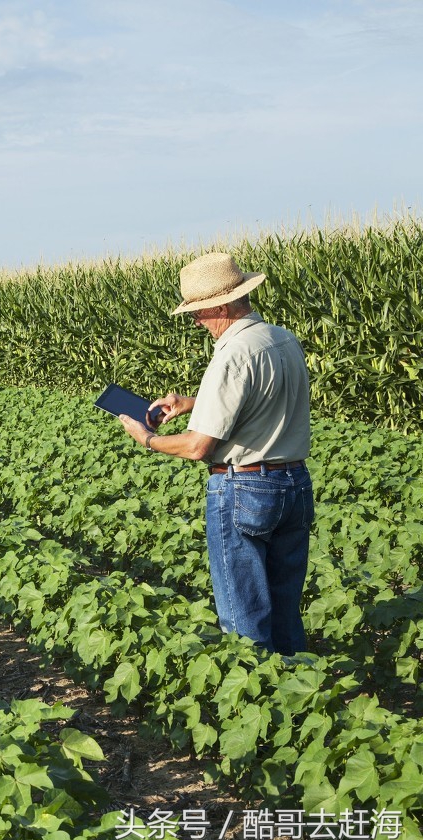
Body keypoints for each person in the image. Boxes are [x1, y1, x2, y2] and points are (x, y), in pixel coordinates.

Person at [117, 252, 314, 655]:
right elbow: (264, 398)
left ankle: (259, 700)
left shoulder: (232, 353)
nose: (197, 322)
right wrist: (192, 402)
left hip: (247, 488)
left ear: (221, 306)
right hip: (294, 484)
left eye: (199, 313)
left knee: (244, 615)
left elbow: (196, 446)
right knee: (284, 610)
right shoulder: (282, 338)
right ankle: (297, 684)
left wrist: (147, 439)